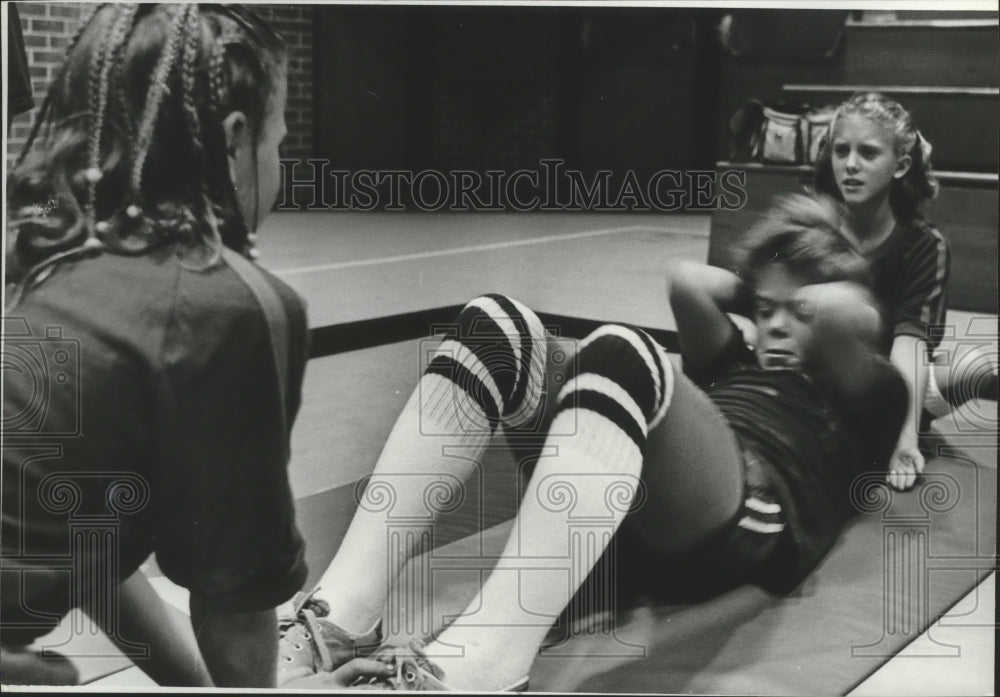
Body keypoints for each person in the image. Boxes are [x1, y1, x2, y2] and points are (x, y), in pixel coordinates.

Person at [274, 194, 908, 690]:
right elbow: (685, 279)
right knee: (495, 323)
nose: (773, 324)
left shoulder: (863, 401)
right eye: (763, 310)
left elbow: (854, 317)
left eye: (794, 313)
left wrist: (810, 272)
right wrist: (766, 284)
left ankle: (482, 668)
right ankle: (341, 619)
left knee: (626, 352)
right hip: (625, 502)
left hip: (751, 511)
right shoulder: (735, 361)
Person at [1, 4, 388, 688]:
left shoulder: (37, 256)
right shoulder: (225, 303)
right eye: (280, 140)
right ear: (235, 142)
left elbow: (94, 547)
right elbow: (234, 596)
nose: (280, 158)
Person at [814, 92, 998, 491]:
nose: (850, 165)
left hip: (891, 385)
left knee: (980, 364)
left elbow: (911, 343)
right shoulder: (816, 227)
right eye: (841, 150)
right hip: (825, 374)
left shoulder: (925, 245)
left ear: (900, 166)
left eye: (868, 153)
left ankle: (888, 426)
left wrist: (905, 438)